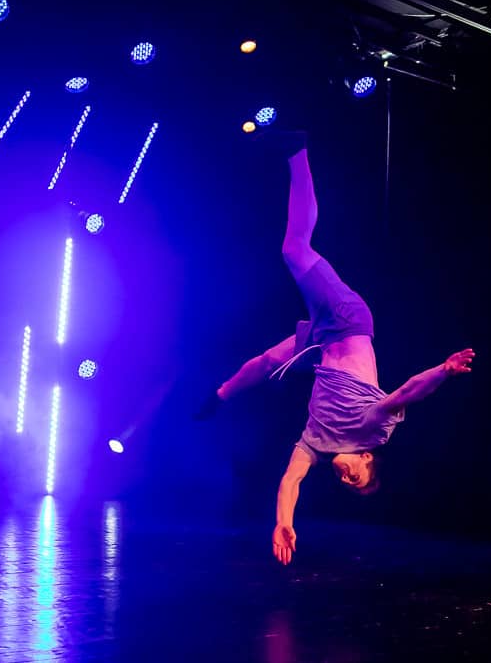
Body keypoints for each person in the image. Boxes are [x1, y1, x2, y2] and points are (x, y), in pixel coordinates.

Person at [198, 135, 474, 565]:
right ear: (366, 458)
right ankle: (298, 151)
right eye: (357, 478)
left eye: (347, 485)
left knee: (269, 362)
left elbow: (291, 480)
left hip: (323, 344)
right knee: (294, 248)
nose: (346, 479)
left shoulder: (315, 442)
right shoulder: (373, 429)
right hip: (348, 321)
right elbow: (407, 392)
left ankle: (220, 395)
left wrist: (283, 521)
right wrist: (443, 370)